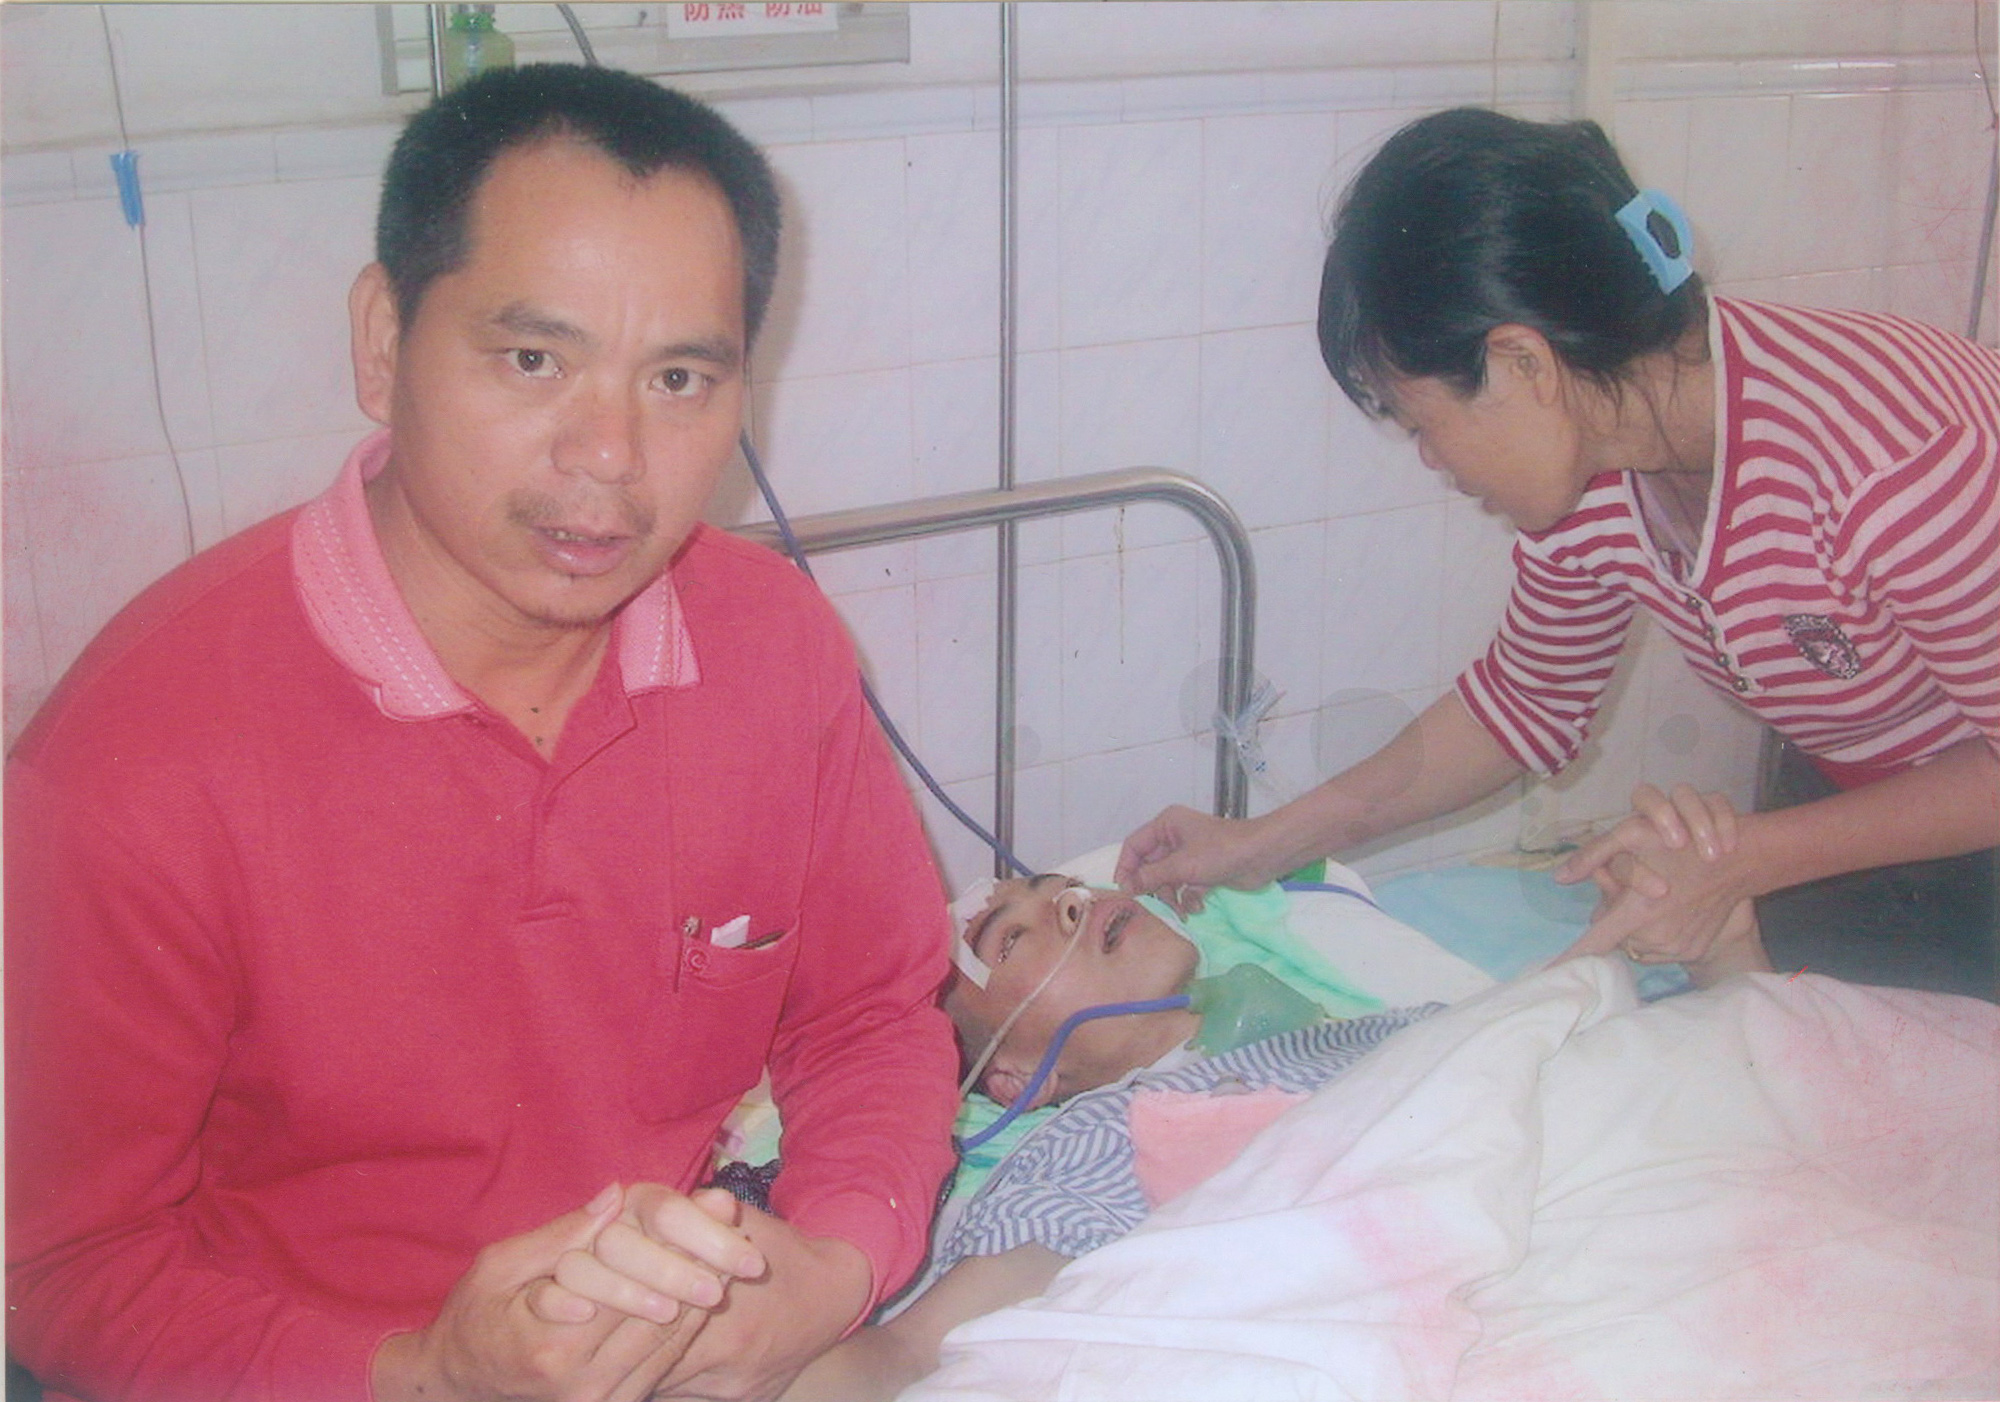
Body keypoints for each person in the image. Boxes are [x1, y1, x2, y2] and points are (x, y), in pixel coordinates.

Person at [5, 65, 960, 1402]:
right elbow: (61, 1263)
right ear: (382, 341)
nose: (609, 454)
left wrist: (832, 1267)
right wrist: (426, 1375)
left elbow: (869, 1016)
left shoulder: (773, 648)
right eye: (533, 360)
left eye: (679, 376)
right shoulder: (137, 761)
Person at [1118, 106, 1999, 1000]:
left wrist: (1749, 856)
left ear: (1522, 364)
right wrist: (1261, 846)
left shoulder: (1899, 464)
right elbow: (1524, 700)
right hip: (1879, 800)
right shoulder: (1597, 460)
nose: (1433, 463)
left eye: (1422, 425)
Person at [778, 864, 1780, 1402]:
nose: (1073, 903)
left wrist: (1717, 949)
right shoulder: (1093, 1139)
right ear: (1007, 1077)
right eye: (1016, 934)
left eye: (1057, 887)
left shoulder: (1369, 1032)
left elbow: (1570, 1077)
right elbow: (915, 1355)